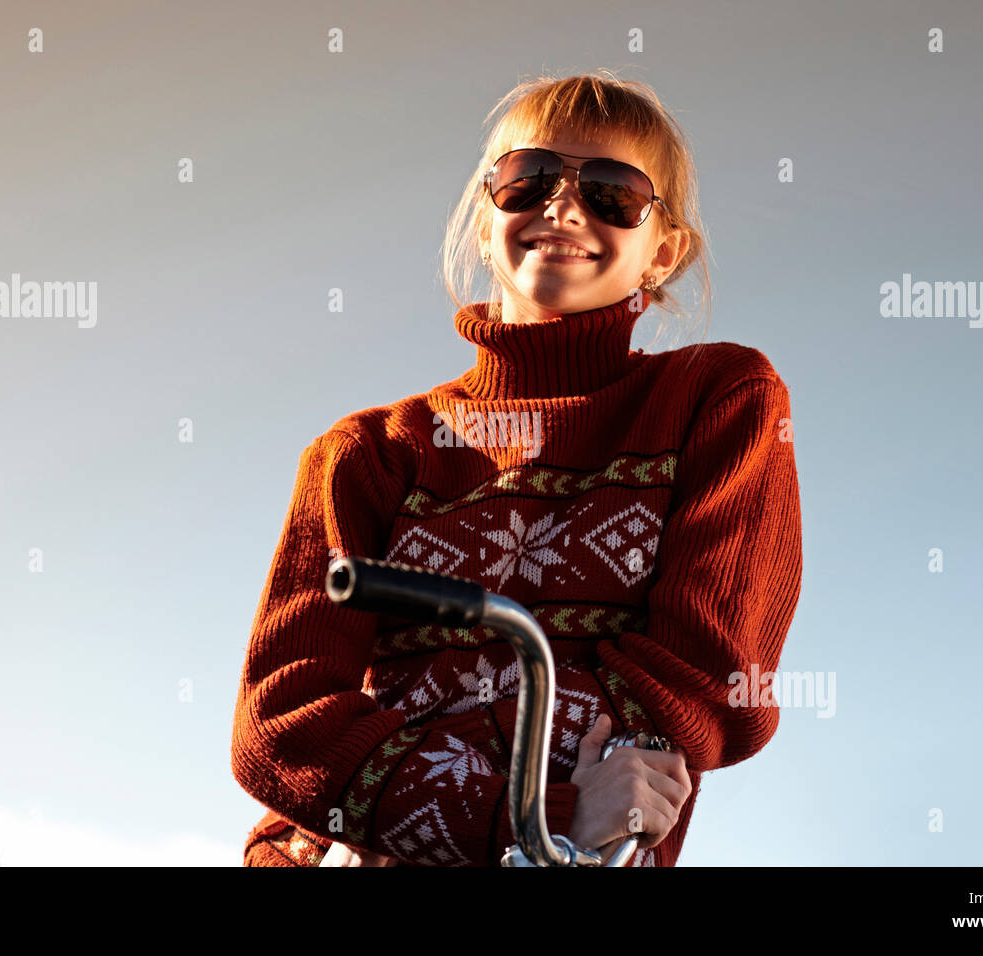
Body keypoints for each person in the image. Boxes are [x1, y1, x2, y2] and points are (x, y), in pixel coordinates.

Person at [231, 71, 803, 867]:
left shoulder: (719, 399)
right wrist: (530, 808)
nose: (562, 207)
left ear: (663, 252)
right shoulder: (367, 452)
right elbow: (281, 722)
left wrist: (466, 808)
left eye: (612, 192)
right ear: (483, 219)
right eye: (528, 178)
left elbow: (701, 680)